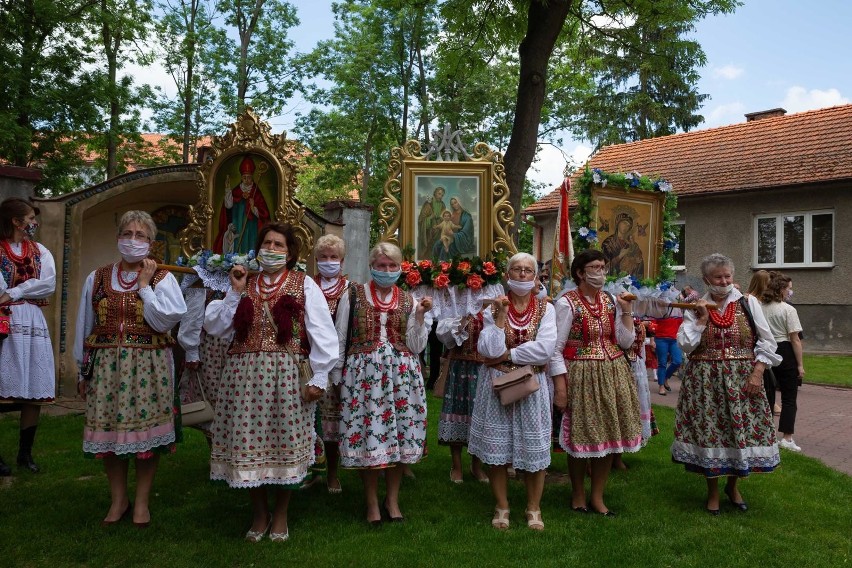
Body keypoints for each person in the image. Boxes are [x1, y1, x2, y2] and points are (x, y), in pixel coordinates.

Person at [204, 223, 338, 542]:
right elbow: (218, 328)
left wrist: (319, 376)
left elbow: (323, 334)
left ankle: (280, 513)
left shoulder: (303, 284)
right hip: (243, 378)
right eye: (267, 243)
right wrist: (234, 292)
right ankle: (259, 513)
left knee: (284, 445)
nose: (272, 249)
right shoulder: (243, 283)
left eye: (279, 245)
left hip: (286, 377)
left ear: (290, 253)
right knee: (248, 444)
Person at [75, 210, 187, 527]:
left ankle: (141, 503)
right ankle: (118, 499)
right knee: (109, 435)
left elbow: (166, 320)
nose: (133, 241)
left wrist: (144, 285)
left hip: (149, 365)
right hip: (108, 367)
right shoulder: (96, 277)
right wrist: (82, 369)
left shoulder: (163, 278)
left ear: (151, 243)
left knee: (146, 440)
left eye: (140, 236)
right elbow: (86, 323)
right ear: (118, 238)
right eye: (127, 234)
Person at [672, 253, 781, 515]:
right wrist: (700, 321)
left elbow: (767, 341)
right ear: (707, 279)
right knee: (710, 434)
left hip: (742, 379)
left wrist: (757, 373)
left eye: (728, 276)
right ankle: (712, 492)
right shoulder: (696, 306)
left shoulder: (748, 303)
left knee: (738, 434)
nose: (724, 281)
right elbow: (685, 345)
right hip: (705, 381)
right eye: (718, 277)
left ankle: (733, 486)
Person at [333, 242, 431, 526]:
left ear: (399, 268)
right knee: (369, 436)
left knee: (399, 437)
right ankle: (372, 502)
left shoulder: (409, 300)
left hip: (402, 376)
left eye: (392, 266)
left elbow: (415, 345)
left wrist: (421, 318)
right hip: (364, 377)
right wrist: (337, 373)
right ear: (371, 266)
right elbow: (341, 335)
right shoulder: (352, 295)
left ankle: (393, 499)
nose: (386, 271)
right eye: (381, 266)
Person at [468, 253, 556, 531]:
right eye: (516, 269)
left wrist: (509, 352)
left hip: (532, 385)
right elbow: (488, 350)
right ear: (507, 274)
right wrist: (501, 316)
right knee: (497, 450)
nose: (521, 275)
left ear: (535, 277)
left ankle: (533, 507)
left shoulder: (546, 309)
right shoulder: (491, 309)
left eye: (527, 271)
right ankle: (502, 505)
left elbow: (545, 350)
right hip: (497, 383)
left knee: (535, 450)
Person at [550, 250, 641, 517]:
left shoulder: (611, 300)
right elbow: (556, 349)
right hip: (581, 373)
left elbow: (624, 342)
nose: (600, 272)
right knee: (582, 435)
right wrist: (560, 387)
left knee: (609, 436)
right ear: (580, 272)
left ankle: (598, 496)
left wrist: (627, 313)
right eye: (594, 267)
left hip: (614, 373)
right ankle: (578, 493)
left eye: (603, 267)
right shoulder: (567, 303)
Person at [0, 198, 56, 475]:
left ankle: (25, 453)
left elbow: (48, 284)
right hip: (4, 323)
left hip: (32, 321)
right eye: (31, 218)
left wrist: (16, 291)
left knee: (34, 389)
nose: (34, 223)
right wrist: (14, 292)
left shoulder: (41, 251)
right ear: (16, 221)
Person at [435, 307, 494, 484]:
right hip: (459, 367)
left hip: (483, 369)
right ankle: (457, 465)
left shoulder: (490, 309)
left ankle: (477, 466)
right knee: (457, 413)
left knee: (480, 416)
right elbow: (445, 338)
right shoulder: (456, 306)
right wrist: (461, 321)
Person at [313, 234, 350, 493]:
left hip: (337, 360)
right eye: (323, 257)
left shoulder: (351, 289)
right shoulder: (307, 286)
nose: (328, 262)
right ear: (316, 261)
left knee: (333, 422)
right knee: (310, 419)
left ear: (342, 261)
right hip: (310, 359)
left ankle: (333, 473)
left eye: (333, 257)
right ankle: (313, 470)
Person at [176, 274, 231, 443]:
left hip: (240, 347)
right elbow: (193, 315)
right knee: (212, 400)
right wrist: (191, 349)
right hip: (211, 348)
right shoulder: (202, 280)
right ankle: (216, 451)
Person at [757, 272, 805, 452]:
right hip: (784, 351)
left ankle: (765, 435)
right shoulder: (788, 309)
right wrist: (800, 365)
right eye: (789, 289)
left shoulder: (760, 307)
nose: (790, 292)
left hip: (765, 351)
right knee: (789, 398)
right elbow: (795, 339)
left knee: (767, 395)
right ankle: (786, 437)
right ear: (782, 290)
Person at [214, 155, 271, 254]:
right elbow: (228, 206)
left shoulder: (256, 192)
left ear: (252, 177)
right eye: (244, 178)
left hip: (251, 225)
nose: (247, 180)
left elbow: (264, 213)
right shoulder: (236, 190)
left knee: (250, 242)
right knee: (237, 241)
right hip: (237, 222)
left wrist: (253, 207)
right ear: (241, 178)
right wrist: (228, 189)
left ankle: (251, 259)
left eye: (249, 177)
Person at [601, 212, 644, 279]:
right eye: (624, 223)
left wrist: (637, 260)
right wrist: (620, 256)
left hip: (629, 280)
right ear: (618, 223)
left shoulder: (632, 244)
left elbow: (639, 262)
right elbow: (604, 266)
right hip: (612, 281)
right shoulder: (608, 243)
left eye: (628, 225)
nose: (626, 227)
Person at [417, 185, 446, 257]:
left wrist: (442, 219)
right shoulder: (428, 204)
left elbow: (443, 216)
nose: (440, 196)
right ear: (435, 193)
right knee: (429, 248)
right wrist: (430, 218)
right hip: (428, 229)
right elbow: (421, 219)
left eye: (442, 195)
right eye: (439, 194)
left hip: (439, 228)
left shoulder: (442, 205)